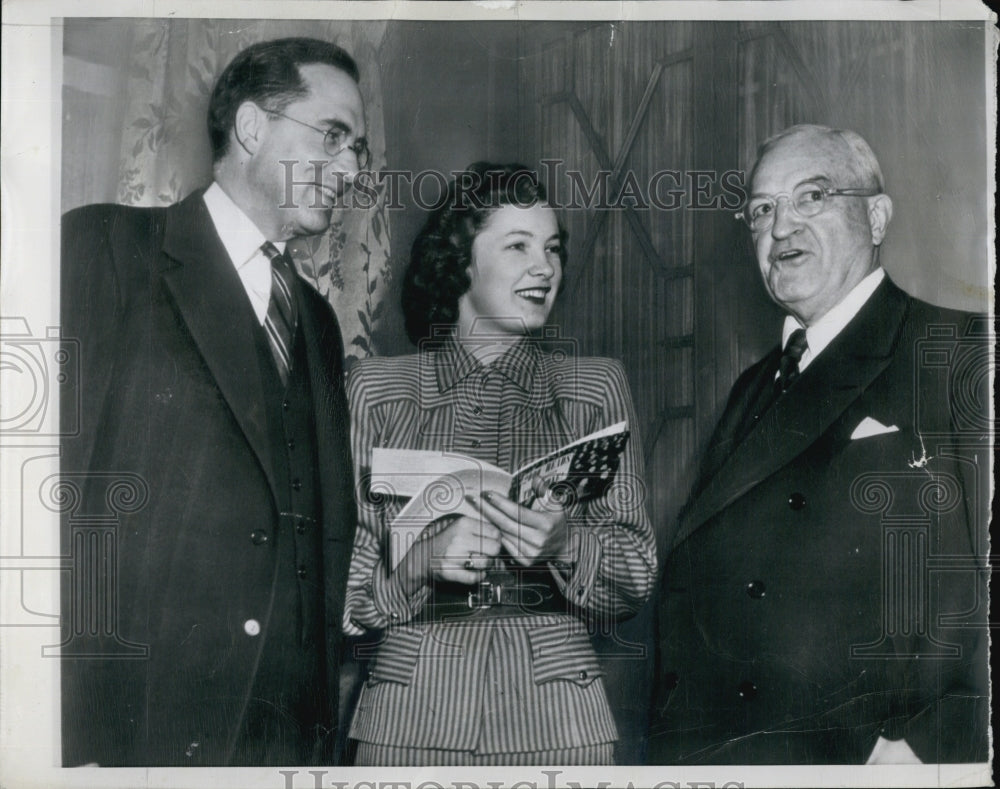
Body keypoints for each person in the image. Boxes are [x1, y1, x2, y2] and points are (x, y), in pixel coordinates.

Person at [59, 37, 367, 766]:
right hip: (143, 727)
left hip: (289, 735)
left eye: (358, 148)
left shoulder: (318, 321)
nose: (352, 169)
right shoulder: (105, 248)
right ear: (253, 128)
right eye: (333, 136)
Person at [648, 124, 989, 764]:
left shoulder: (960, 351)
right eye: (762, 210)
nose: (781, 229)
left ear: (878, 217)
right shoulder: (753, 386)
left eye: (812, 197)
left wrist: (939, 743)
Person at [342, 163, 657, 765]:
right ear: (458, 260)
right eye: (518, 245)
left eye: (553, 248)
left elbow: (637, 573)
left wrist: (567, 547)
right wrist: (416, 566)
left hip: (560, 724)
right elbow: (342, 591)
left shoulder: (595, 387)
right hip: (408, 721)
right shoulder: (376, 391)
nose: (545, 268)